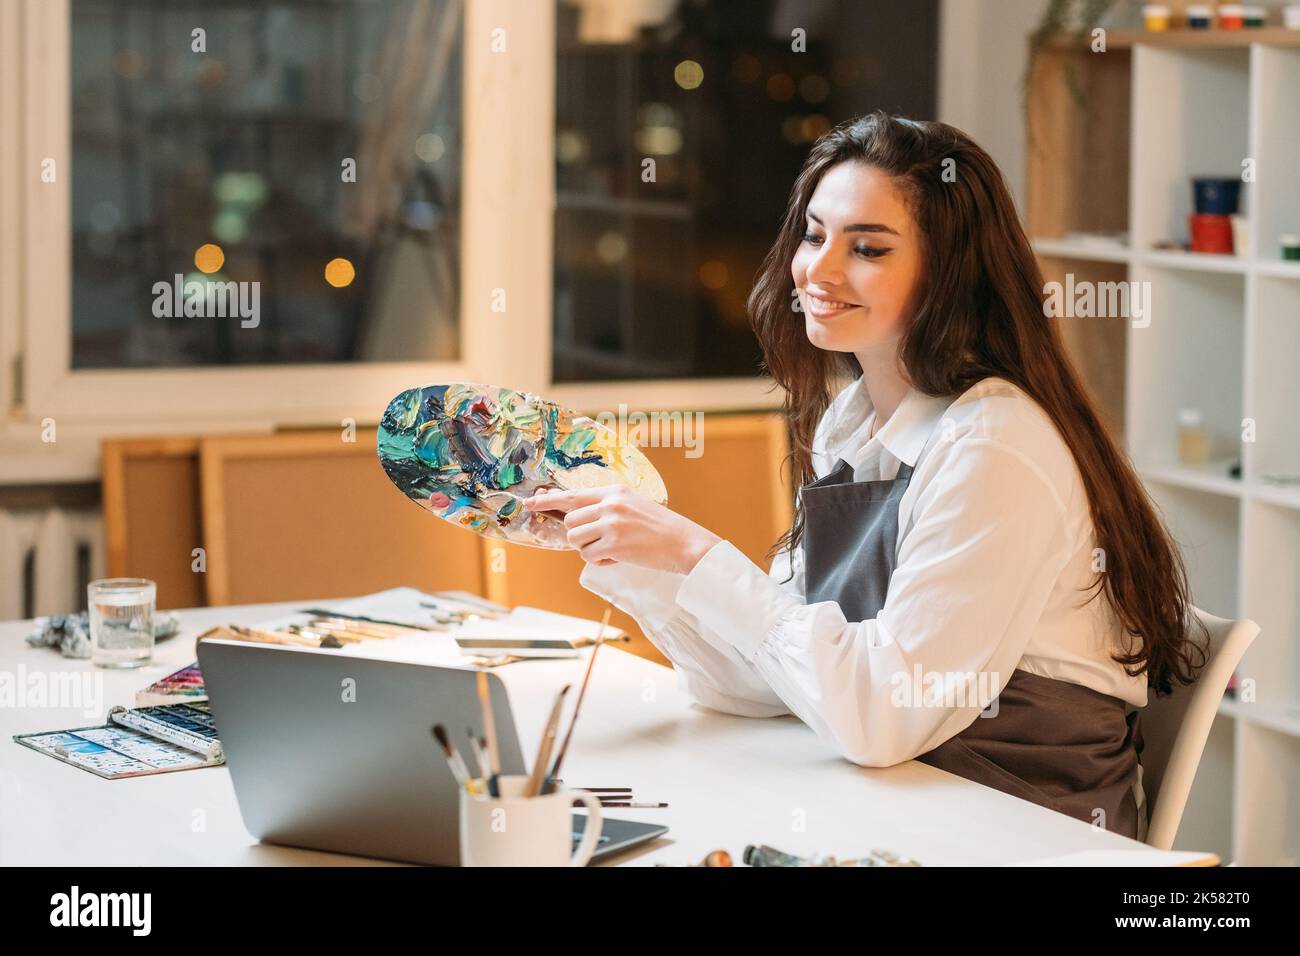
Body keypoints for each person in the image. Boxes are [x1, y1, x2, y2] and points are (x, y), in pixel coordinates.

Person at [525, 111, 1206, 839]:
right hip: (896, 807)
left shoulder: (995, 448)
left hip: (1017, 831)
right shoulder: (853, 424)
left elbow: (882, 718)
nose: (817, 269)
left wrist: (696, 555)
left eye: (868, 249)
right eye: (814, 234)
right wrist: (637, 556)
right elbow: (762, 686)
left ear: (949, 271)